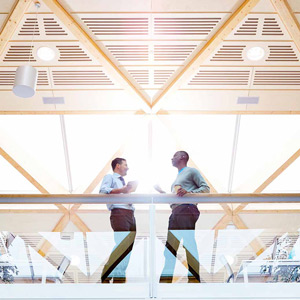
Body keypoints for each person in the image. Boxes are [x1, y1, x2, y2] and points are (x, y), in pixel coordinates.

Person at [156, 151, 210, 283]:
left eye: (174, 156)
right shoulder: (176, 178)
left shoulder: (191, 171)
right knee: (170, 248)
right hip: (175, 212)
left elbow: (206, 189)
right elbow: (176, 197)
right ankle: (164, 282)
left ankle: (194, 280)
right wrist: (162, 192)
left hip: (186, 209)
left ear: (182, 157)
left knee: (189, 244)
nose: (171, 158)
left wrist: (190, 192)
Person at [100, 158, 136, 283]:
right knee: (122, 245)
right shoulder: (110, 177)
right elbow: (103, 190)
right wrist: (122, 190)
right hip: (119, 213)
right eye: (125, 165)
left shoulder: (123, 182)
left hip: (130, 214)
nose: (127, 167)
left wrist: (128, 193)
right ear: (117, 166)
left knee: (128, 248)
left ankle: (119, 276)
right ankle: (107, 274)